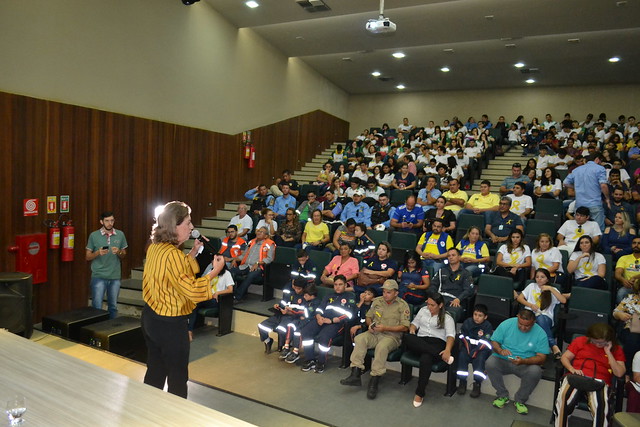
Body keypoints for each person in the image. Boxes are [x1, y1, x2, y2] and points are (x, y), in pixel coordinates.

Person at [141, 201, 225, 398]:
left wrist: (193, 253)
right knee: (178, 376)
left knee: (155, 368)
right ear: (174, 226)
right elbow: (193, 290)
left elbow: (175, 273)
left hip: (150, 319)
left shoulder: (155, 247)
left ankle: (145, 410)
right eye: (188, 222)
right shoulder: (174, 256)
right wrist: (215, 272)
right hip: (170, 325)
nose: (192, 227)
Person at [340, 280, 410, 399]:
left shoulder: (402, 305)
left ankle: (374, 381)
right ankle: (355, 373)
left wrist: (386, 328)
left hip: (391, 336)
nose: (385, 294)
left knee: (381, 347)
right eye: (383, 291)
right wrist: (370, 325)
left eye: (388, 292)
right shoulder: (377, 301)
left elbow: (405, 327)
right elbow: (368, 317)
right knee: (360, 339)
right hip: (375, 333)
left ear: (396, 293)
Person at [554, 323, 626, 427]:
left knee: (601, 406)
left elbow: (619, 373)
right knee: (564, 399)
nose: (598, 345)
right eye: (595, 341)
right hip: (576, 376)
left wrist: (608, 352)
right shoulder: (580, 341)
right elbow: (564, 357)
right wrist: (572, 369)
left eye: (601, 342)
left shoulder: (616, 349)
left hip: (599, 381)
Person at [486, 310, 549, 415]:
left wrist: (524, 361)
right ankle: (502, 395)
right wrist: (500, 350)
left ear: (534, 322)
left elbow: (542, 358)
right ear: (517, 317)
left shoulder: (540, 333)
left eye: (527, 326)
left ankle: (520, 400)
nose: (523, 328)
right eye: (520, 324)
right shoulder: (507, 324)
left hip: (525, 363)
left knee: (535, 371)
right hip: (504, 360)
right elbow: (494, 341)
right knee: (490, 363)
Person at [404, 293, 457, 408]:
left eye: (432, 305)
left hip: (437, 342)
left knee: (426, 359)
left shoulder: (447, 318)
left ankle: (419, 393)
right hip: (421, 341)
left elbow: (450, 336)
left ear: (440, 305)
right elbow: (414, 323)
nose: (429, 307)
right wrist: (413, 329)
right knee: (407, 337)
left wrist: (447, 350)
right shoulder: (423, 310)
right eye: (428, 304)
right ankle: (439, 356)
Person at [298, 275, 356, 373]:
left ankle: (321, 362)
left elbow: (349, 315)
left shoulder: (350, 296)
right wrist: (318, 317)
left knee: (324, 337)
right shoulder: (329, 295)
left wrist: (332, 321)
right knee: (305, 331)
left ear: (345, 285)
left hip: (336, 323)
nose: (337, 287)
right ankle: (310, 359)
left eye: (340, 284)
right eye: (335, 284)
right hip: (322, 319)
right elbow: (319, 308)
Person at [85, 211, 128, 319]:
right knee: (97, 306)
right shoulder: (94, 235)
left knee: (113, 306)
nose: (110, 223)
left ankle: (111, 329)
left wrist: (119, 252)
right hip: (98, 276)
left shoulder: (120, 234)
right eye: (107, 221)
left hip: (115, 276)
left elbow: (124, 255)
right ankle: (96, 328)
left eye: (112, 220)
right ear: (101, 222)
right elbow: (87, 256)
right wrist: (97, 253)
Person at [517, 268, 566, 358]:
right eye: (537, 277)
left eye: (542, 277)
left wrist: (550, 288)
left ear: (547, 279)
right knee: (535, 321)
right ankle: (553, 346)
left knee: (540, 318)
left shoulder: (553, 289)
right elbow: (519, 298)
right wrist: (531, 305)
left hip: (546, 317)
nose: (539, 279)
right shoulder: (531, 286)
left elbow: (563, 300)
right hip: (529, 315)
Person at [258, 278, 307, 354]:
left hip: (291, 318)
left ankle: (283, 348)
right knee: (262, 326)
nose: (297, 290)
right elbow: (283, 303)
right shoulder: (290, 294)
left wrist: (289, 312)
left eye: (299, 289)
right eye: (295, 288)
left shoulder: (305, 298)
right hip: (280, 314)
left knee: (281, 329)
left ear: (304, 288)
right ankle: (268, 341)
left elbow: (302, 313)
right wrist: (277, 306)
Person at [563, 153, 610, 231]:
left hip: (579, 204)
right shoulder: (600, 168)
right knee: (597, 230)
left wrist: (576, 187)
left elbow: (565, 182)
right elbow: (603, 186)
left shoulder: (576, 170)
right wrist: (607, 199)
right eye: (600, 161)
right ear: (597, 159)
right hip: (594, 204)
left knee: (580, 230)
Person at [187, 263, 234, 341]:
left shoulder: (226, 273)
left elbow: (230, 289)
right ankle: (189, 331)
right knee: (193, 303)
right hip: (206, 297)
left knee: (195, 302)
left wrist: (218, 293)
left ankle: (189, 331)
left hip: (217, 300)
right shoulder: (210, 272)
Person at [456, 304, 494, 398]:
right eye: (475, 314)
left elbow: (486, 342)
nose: (477, 317)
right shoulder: (467, 322)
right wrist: (469, 349)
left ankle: (477, 383)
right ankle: (462, 382)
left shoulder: (487, 326)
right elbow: (462, 336)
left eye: (480, 315)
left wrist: (476, 351)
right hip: (467, 346)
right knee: (462, 356)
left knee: (480, 360)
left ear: (485, 317)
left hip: (481, 349)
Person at [230, 227, 276, 302]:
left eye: (261, 232)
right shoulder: (251, 242)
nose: (259, 233)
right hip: (245, 266)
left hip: (259, 268)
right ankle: (229, 294)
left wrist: (258, 263)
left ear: (266, 236)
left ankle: (236, 297)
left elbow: (270, 259)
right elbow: (244, 255)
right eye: (258, 231)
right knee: (230, 271)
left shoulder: (270, 244)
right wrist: (235, 259)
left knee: (251, 275)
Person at [281, 284, 321, 363]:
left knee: (297, 331)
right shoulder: (307, 301)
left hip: (310, 322)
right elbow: (302, 310)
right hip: (302, 319)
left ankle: (296, 351)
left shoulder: (316, 302)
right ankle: (286, 347)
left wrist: (293, 310)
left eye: (306, 295)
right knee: (291, 325)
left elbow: (306, 313)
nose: (304, 297)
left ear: (312, 296)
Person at [431, 248, 474, 321]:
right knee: (424, 308)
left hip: (455, 300)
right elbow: (433, 285)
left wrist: (458, 299)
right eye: (449, 256)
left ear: (459, 257)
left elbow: (468, 290)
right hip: (440, 298)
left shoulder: (466, 273)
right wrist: (432, 297)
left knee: (450, 315)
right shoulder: (441, 271)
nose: (450, 257)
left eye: (453, 255)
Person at [614, 236, 640, 303]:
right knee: (621, 293)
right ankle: (620, 312)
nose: (636, 245)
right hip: (629, 285)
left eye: (639, 243)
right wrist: (623, 280)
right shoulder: (624, 258)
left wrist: (635, 278)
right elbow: (618, 273)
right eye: (634, 243)